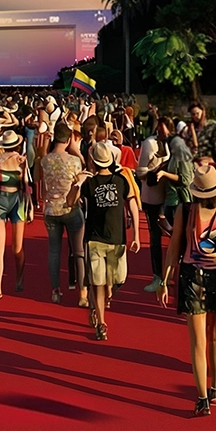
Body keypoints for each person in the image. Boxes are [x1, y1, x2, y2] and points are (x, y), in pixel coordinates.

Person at [158, 164, 216, 416]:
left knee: (198, 341)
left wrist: (165, 280)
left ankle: (202, 398)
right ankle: (215, 389)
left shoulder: (185, 210)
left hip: (192, 278)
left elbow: (174, 246)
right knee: (215, 337)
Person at [67, 141, 142, 341]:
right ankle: (101, 323)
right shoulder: (89, 183)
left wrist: (136, 235)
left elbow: (132, 204)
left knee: (119, 279)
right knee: (98, 283)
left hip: (117, 239)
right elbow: (69, 202)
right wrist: (78, 183)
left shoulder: (121, 180)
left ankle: (101, 303)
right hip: (94, 239)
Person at [38, 121, 87, 307]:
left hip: (51, 210)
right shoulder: (74, 161)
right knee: (79, 252)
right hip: (71, 209)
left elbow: (41, 183)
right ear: (68, 140)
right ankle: (82, 293)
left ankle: (55, 291)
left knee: (54, 252)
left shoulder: (45, 161)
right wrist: (77, 150)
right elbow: (81, 178)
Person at [0, 129, 31, 300]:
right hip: (6, 202)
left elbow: (26, 186)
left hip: (13, 202)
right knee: (3, 247)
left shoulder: (21, 161)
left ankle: (18, 279)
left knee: (14, 247)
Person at [136, 117, 174, 292]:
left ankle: (172, 274)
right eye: (160, 130)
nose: (164, 133)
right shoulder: (150, 144)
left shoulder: (174, 143)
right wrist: (157, 170)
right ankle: (157, 276)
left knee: (176, 234)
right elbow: (140, 172)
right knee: (155, 237)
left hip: (171, 196)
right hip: (152, 197)